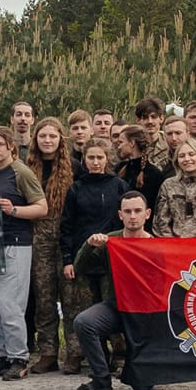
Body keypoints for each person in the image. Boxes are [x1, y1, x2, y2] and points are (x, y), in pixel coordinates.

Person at [0, 127, 46, 380]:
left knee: (10, 303)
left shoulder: (21, 172)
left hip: (15, 242)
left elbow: (41, 207)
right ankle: (3, 353)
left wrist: (14, 210)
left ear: (10, 146)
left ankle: (19, 356)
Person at [70, 188, 156, 390]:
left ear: (148, 214)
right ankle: (101, 378)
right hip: (116, 306)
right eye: (127, 212)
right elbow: (80, 267)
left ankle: (138, 368)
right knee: (84, 322)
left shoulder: (157, 245)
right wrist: (89, 246)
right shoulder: (111, 241)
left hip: (146, 313)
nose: (133, 217)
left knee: (142, 387)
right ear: (120, 215)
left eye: (137, 211)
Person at [60, 136, 124, 373]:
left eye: (100, 157)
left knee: (113, 307)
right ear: (84, 160)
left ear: (107, 159)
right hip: (83, 259)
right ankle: (95, 357)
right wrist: (68, 260)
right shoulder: (76, 188)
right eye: (91, 158)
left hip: (112, 259)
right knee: (85, 310)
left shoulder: (118, 186)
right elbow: (67, 227)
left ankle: (120, 355)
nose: (95, 162)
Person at [24, 117, 74, 372]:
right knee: (43, 298)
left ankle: (75, 352)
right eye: (42, 136)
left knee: (71, 297)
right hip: (38, 236)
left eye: (52, 137)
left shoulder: (73, 167)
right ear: (36, 140)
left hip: (65, 236)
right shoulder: (27, 168)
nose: (47, 141)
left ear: (60, 140)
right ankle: (47, 352)